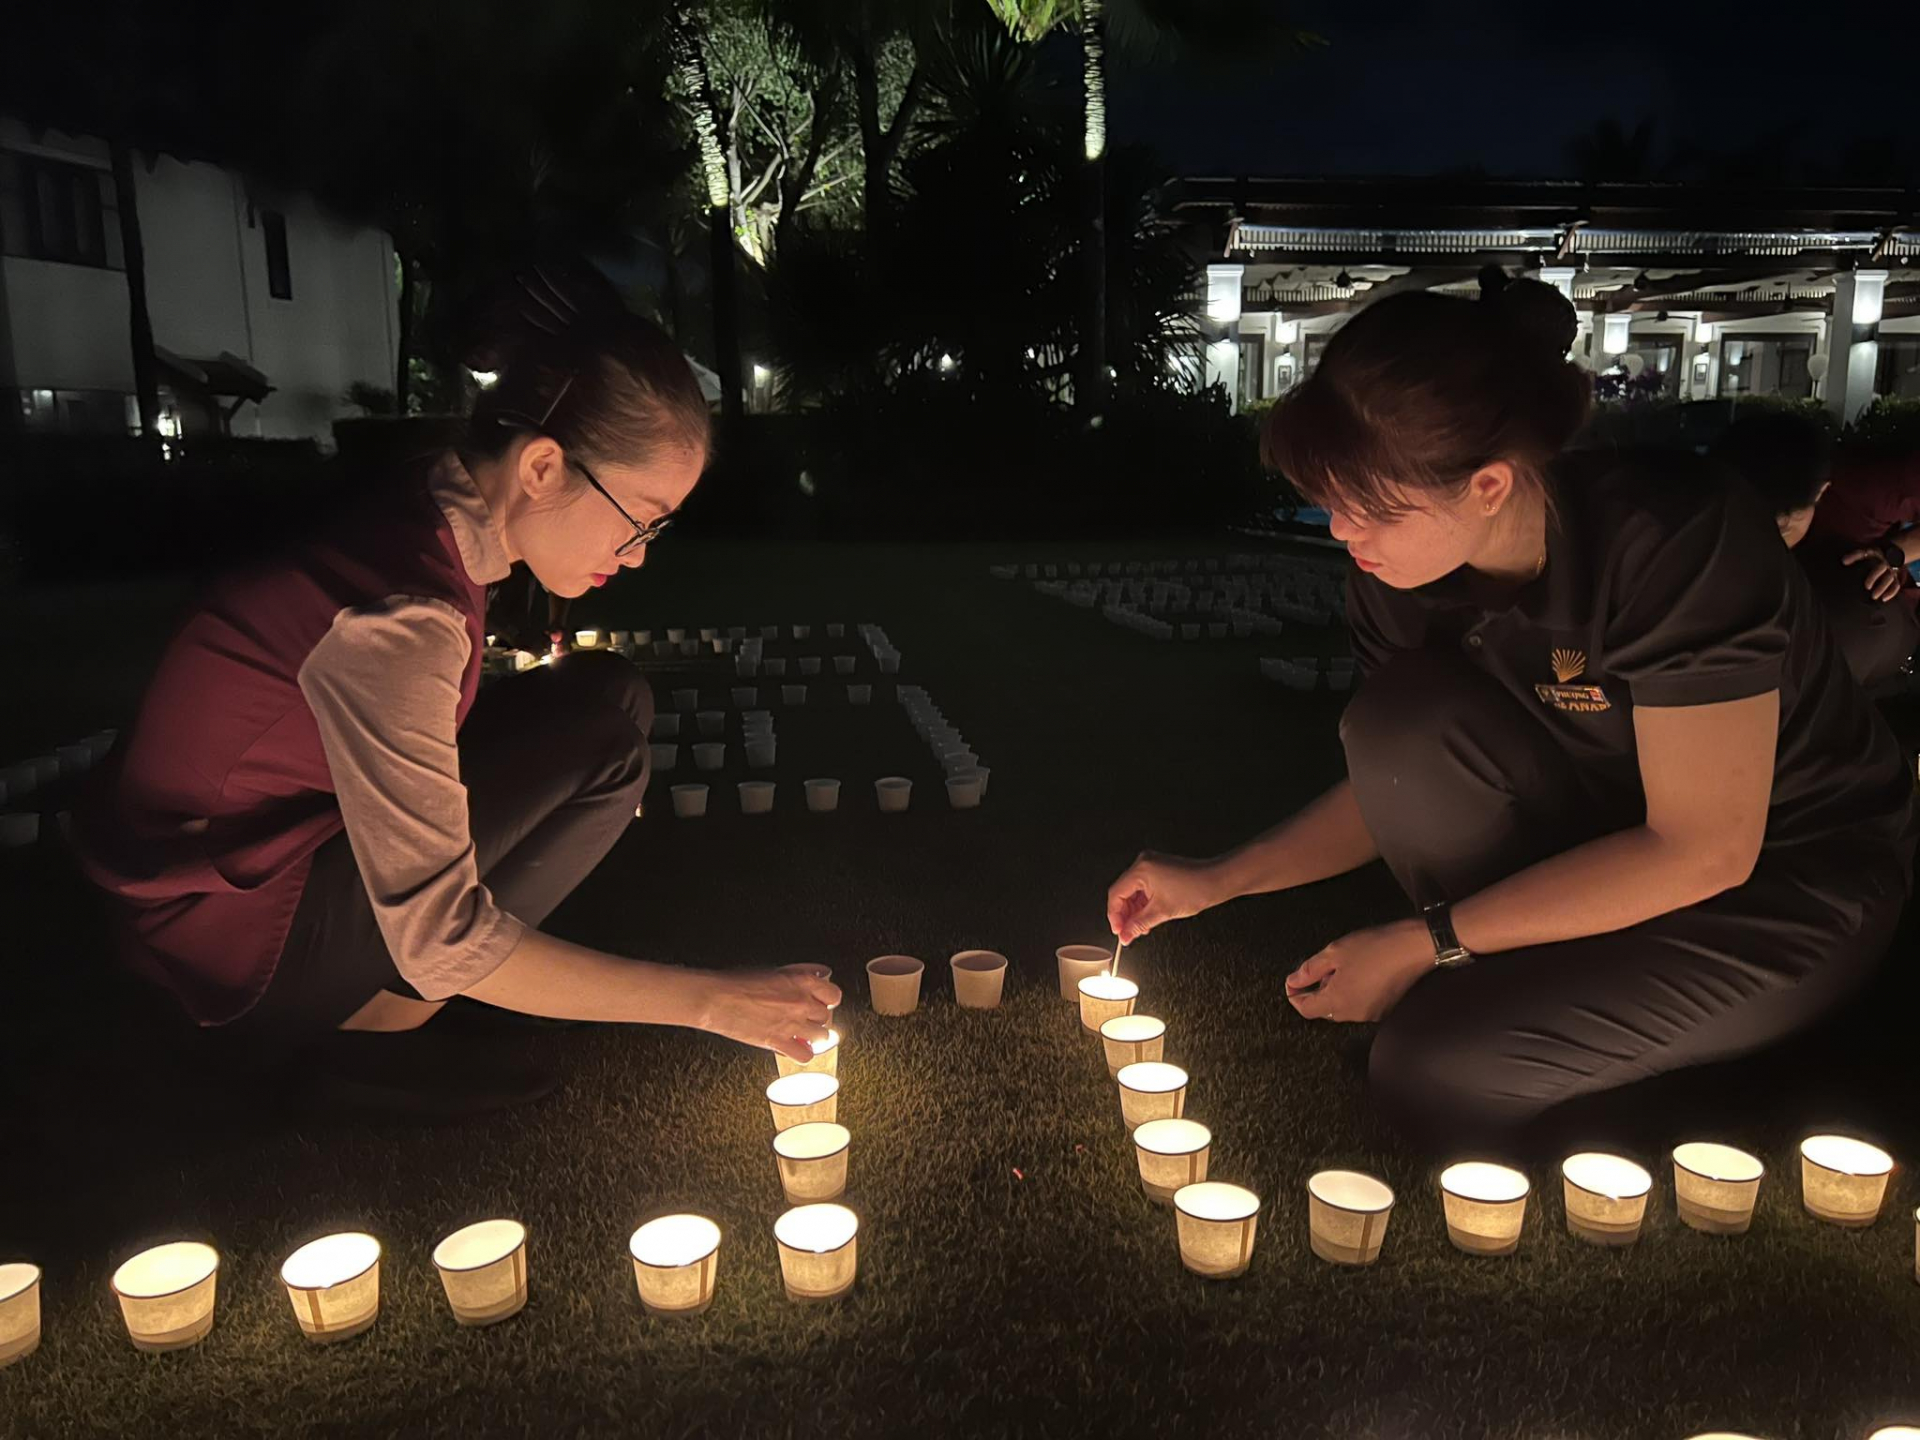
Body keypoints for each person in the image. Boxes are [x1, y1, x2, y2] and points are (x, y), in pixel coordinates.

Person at [1105, 279, 1917, 1151]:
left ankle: (1752, 1057)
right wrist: (1219, 878)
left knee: (1434, 1072)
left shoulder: (1671, 540)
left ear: (1488, 484)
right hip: (1607, 830)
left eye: (1365, 506)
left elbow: (1705, 848)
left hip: (1781, 875)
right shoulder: (1398, 578)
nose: (1340, 530)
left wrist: (1428, 943)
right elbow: (1392, 778)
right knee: (1394, 724)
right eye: (1328, 500)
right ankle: (1536, 995)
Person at [76, 290, 839, 1117]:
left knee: (605, 704)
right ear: (543, 467)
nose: (638, 556)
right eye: (638, 522)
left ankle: (389, 1017)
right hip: (216, 957)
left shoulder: (426, 508)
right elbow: (440, 933)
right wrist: (711, 1002)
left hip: (271, 863)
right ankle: (352, 1046)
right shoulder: (402, 616)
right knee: (600, 738)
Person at [1711, 411, 1920, 690]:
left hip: (1866, 622)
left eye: (1783, 530)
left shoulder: (1862, 484)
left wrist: (1893, 553)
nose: (1768, 542)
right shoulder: (1718, 499)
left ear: (1821, 493)